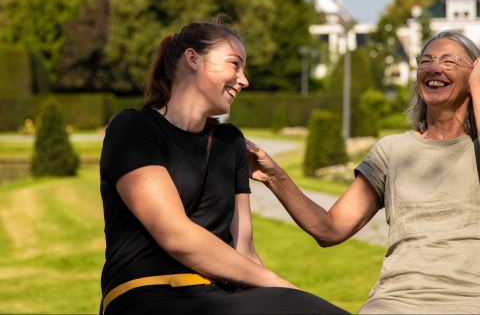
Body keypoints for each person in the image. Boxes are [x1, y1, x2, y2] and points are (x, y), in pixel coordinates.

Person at [99, 19, 348, 314]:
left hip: (221, 295)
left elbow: (245, 251)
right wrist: (278, 283)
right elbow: (176, 235)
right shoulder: (134, 128)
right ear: (192, 59)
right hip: (148, 294)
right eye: (234, 64)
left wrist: (289, 300)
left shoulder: (231, 142)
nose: (243, 80)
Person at [247, 30, 480, 314]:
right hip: (396, 301)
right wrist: (274, 176)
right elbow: (330, 229)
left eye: (449, 62)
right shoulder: (391, 151)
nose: (433, 68)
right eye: (426, 61)